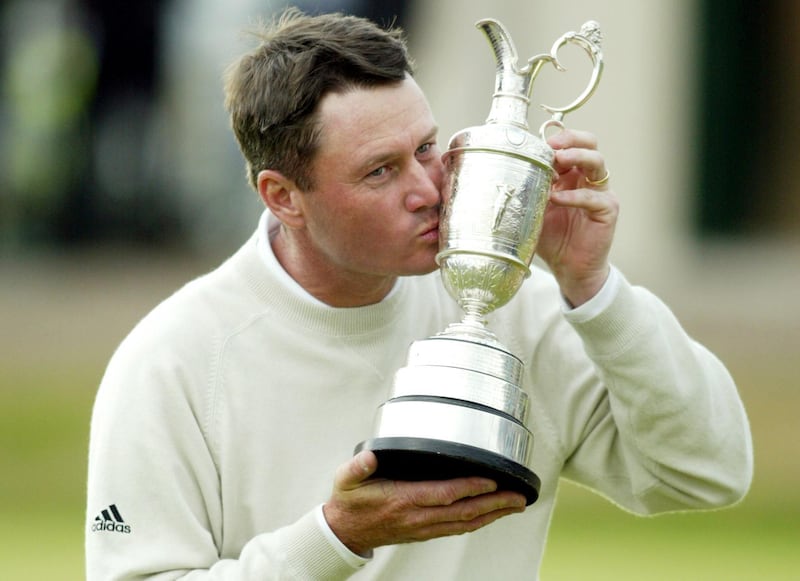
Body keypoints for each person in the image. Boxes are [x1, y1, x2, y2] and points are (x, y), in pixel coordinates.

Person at [85, 9, 753, 580]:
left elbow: (709, 469)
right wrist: (334, 536)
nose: (430, 189)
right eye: (381, 170)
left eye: (427, 147)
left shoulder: (520, 306)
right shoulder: (171, 360)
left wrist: (594, 288)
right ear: (282, 197)